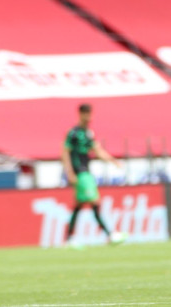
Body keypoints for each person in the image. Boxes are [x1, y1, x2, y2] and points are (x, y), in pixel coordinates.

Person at [62, 103, 124, 247]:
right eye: (86, 114)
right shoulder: (73, 133)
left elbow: (98, 151)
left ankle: (69, 239)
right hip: (80, 173)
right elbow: (65, 151)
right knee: (95, 202)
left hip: (86, 172)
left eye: (90, 113)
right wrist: (69, 172)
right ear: (81, 114)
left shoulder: (89, 133)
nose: (89, 117)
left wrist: (113, 161)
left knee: (79, 205)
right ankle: (109, 235)